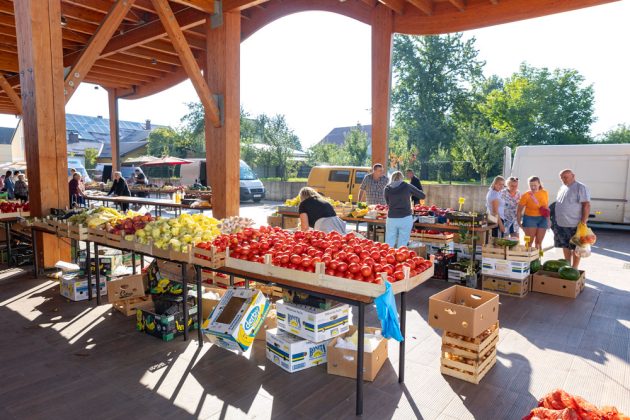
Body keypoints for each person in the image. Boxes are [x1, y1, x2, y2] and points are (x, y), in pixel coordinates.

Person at [554, 169, 591, 269]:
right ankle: (567, 266)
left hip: (575, 224)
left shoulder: (580, 187)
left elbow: (586, 205)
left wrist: (583, 222)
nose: (563, 179)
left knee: (576, 248)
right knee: (565, 246)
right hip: (561, 224)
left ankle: (574, 268)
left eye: (565, 177)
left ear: (573, 176)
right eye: (561, 178)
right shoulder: (562, 187)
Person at [384, 171, 425, 248]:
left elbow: (388, 203)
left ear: (391, 178)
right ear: (402, 178)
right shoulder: (407, 186)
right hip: (405, 217)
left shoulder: (387, 188)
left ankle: (388, 255)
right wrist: (410, 193)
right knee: (403, 243)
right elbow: (422, 195)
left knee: (389, 242)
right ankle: (401, 255)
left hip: (392, 218)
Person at [516, 176, 549, 252]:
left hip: (543, 219)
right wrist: (519, 222)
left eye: (535, 185)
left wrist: (548, 220)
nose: (533, 187)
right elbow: (519, 211)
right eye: (531, 185)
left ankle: (539, 258)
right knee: (529, 242)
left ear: (539, 184)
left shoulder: (544, 193)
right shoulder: (526, 195)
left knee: (539, 243)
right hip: (529, 219)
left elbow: (546, 208)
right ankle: (527, 258)